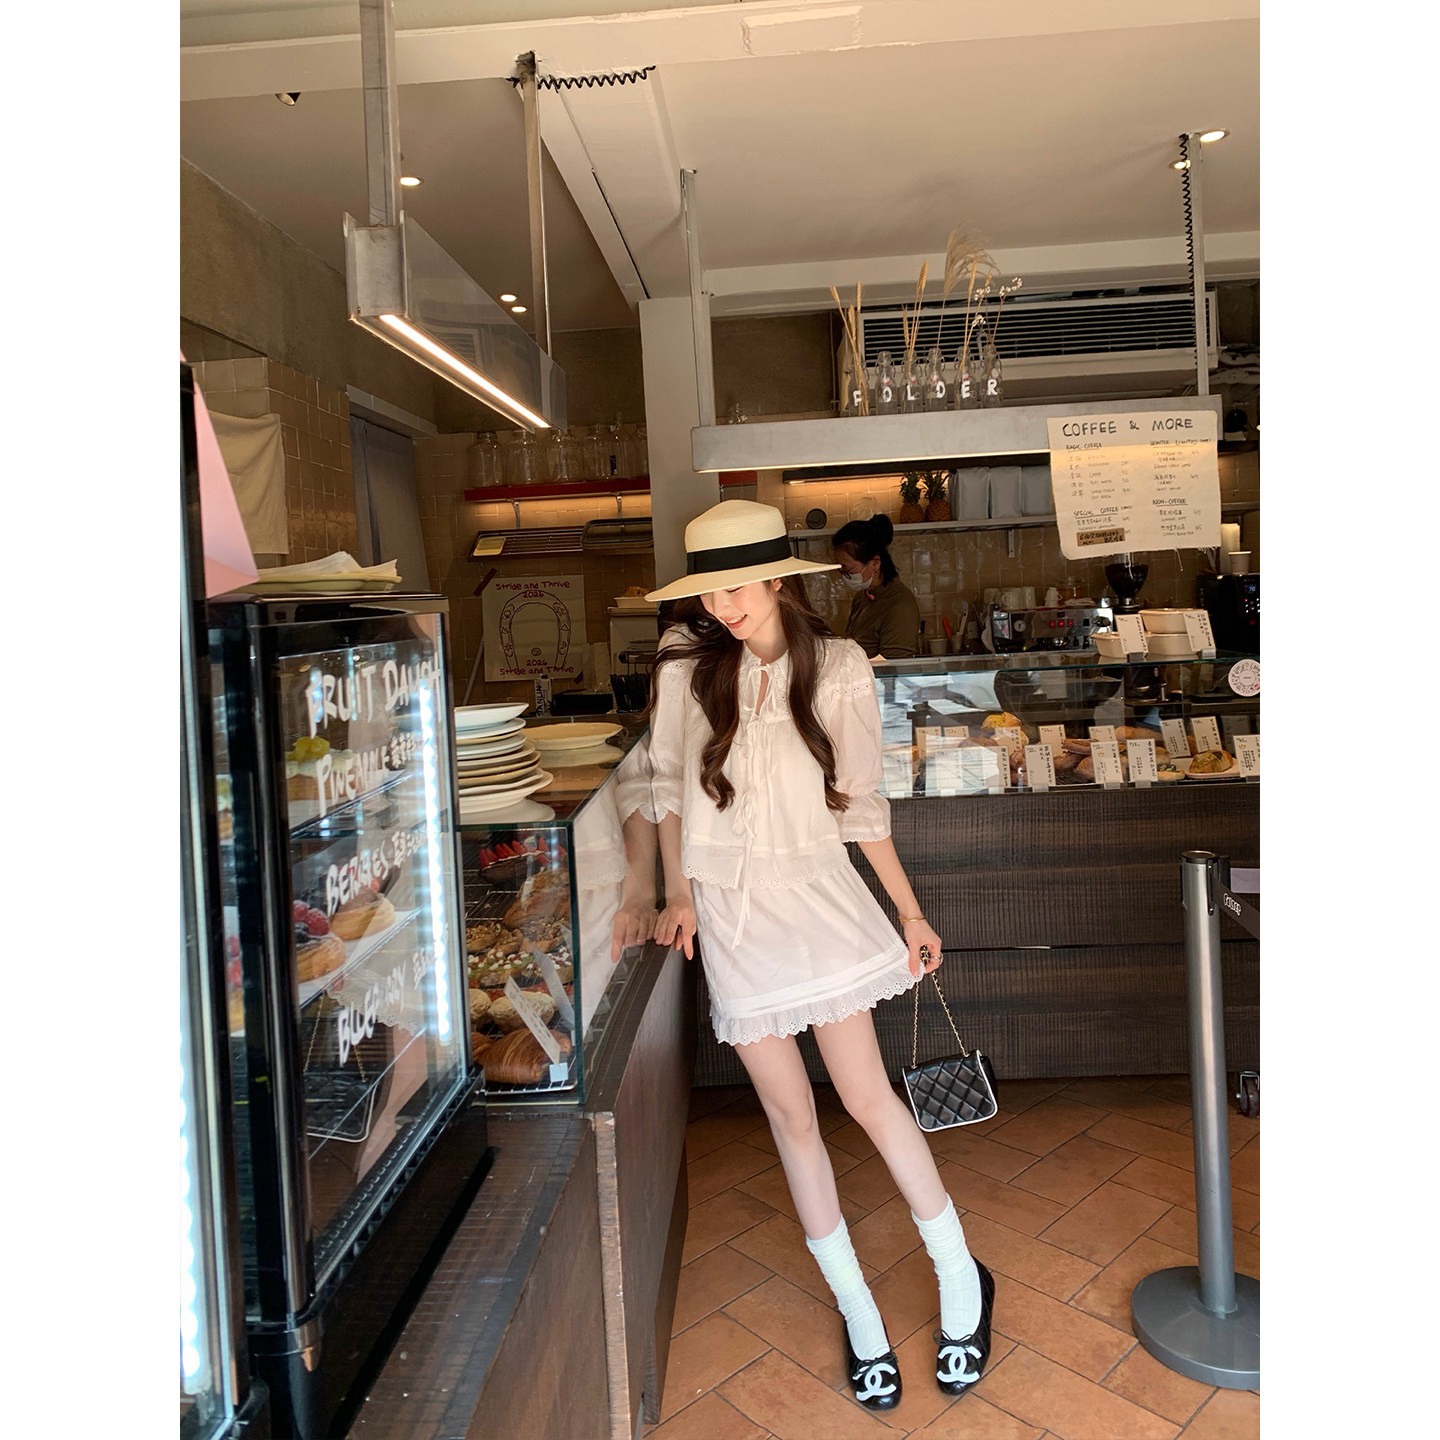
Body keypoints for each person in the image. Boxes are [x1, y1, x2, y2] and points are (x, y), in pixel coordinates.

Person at [641, 499, 994, 1411]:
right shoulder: (684, 665)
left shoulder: (836, 665)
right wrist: (677, 892)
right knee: (791, 1118)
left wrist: (910, 913)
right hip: (733, 916)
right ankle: (857, 1309)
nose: (721, 605)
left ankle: (960, 1273)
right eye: (708, 590)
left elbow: (860, 808)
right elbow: (667, 786)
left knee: (868, 1099)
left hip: (819, 904)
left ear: (777, 578)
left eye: (736, 586)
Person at [832, 515, 922, 659]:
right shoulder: (862, 597)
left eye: (848, 570)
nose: (844, 575)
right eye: (840, 570)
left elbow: (894, 667)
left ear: (875, 563)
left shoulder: (900, 607)